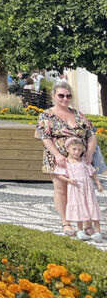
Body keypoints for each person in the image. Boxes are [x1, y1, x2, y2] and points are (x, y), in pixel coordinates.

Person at [36, 80, 97, 236]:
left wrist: (89, 152)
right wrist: (57, 154)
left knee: (83, 189)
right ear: (54, 96)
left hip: (80, 159)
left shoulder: (78, 114)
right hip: (58, 159)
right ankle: (66, 222)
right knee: (61, 189)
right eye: (61, 95)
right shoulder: (46, 115)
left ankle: (86, 222)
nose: (65, 99)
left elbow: (91, 134)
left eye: (68, 96)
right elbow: (45, 137)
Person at [56, 137, 104, 241]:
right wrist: (68, 180)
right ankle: (80, 230)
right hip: (75, 189)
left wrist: (98, 184)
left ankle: (98, 231)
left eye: (79, 150)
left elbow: (92, 173)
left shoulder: (84, 161)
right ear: (68, 148)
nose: (77, 152)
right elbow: (59, 174)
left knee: (91, 206)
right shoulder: (66, 162)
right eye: (74, 149)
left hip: (87, 188)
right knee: (79, 207)